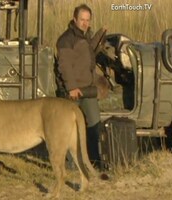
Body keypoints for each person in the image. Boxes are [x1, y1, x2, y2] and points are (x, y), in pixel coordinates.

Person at [55, 4, 106, 168]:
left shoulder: (84, 37)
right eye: (82, 19)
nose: (85, 23)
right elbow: (64, 66)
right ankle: (69, 165)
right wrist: (71, 88)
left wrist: (100, 34)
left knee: (94, 126)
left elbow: (89, 53)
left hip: (87, 90)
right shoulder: (66, 39)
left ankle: (94, 162)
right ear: (75, 19)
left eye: (87, 20)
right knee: (70, 130)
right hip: (73, 92)